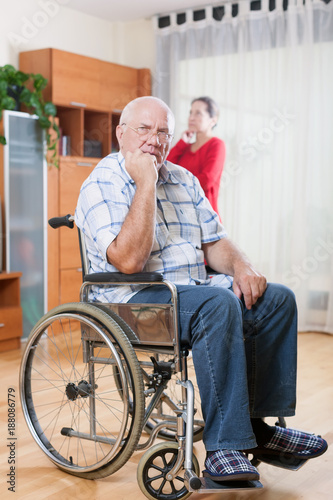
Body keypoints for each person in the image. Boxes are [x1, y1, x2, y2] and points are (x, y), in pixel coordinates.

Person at [75, 96, 327, 483]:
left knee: (275, 300)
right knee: (219, 303)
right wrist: (146, 182)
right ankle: (224, 448)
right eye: (143, 129)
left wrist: (243, 267)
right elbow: (127, 262)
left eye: (163, 132)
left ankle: (258, 430)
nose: (154, 140)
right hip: (130, 303)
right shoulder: (102, 183)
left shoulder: (184, 179)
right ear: (120, 133)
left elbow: (214, 243)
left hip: (190, 294)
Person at [167, 96, 225, 218]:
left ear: (213, 120)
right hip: (181, 216)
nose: (191, 117)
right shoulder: (185, 147)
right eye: (191, 112)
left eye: (198, 113)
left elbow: (206, 181)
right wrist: (181, 143)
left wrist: (176, 183)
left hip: (206, 218)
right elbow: (166, 169)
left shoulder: (216, 145)